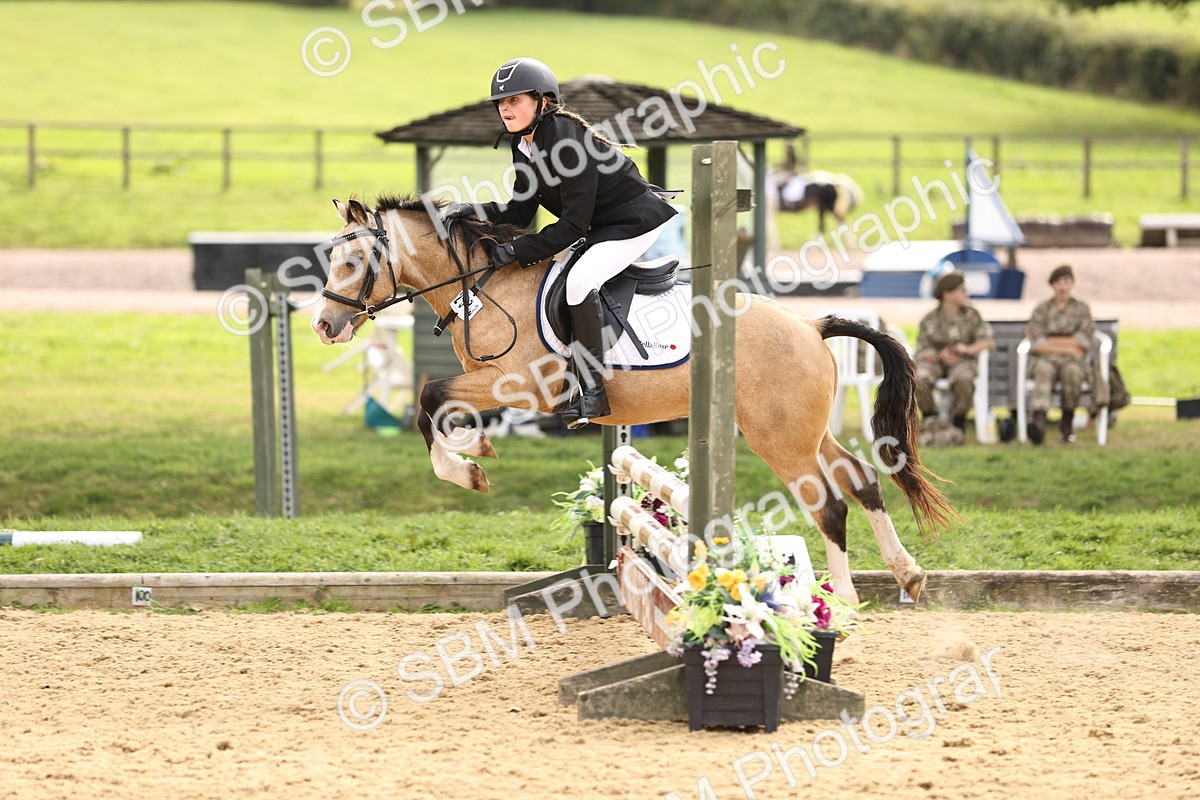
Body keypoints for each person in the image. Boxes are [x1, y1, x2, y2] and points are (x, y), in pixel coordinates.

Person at [447, 58, 677, 429]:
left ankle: (592, 390)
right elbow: (521, 212)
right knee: (552, 277)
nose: (505, 108)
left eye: (515, 100)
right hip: (598, 226)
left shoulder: (567, 140)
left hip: (632, 222)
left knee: (580, 281)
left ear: (543, 101)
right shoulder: (523, 145)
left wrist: (516, 251)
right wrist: (470, 211)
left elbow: (571, 224)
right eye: (500, 103)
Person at [914, 271, 995, 435]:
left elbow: (988, 341)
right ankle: (931, 418)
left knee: (963, 379)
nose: (967, 294)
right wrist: (939, 355)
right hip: (936, 362)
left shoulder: (972, 315)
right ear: (947, 294)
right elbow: (921, 349)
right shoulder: (930, 319)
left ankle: (959, 420)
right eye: (962, 291)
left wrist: (967, 349)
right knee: (919, 379)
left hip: (963, 361)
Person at [1024, 264, 1095, 445]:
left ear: (1072, 283)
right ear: (1052, 285)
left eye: (1066, 282)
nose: (1062, 287)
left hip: (1072, 361)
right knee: (1043, 371)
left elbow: (1083, 341)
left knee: (1073, 374)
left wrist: (1053, 343)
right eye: (1058, 283)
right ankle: (1039, 423)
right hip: (1045, 359)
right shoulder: (1042, 309)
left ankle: (1067, 424)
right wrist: (1068, 345)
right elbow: (1037, 343)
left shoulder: (1081, 309)